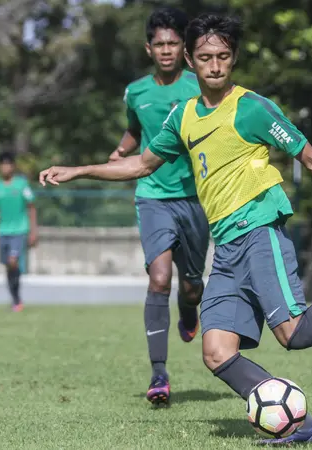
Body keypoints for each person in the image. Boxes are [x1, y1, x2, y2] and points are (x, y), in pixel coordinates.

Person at [39, 12, 312, 444]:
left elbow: (309, 156)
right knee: (215, 352)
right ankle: (298, 424)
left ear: (233, 59)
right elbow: (141, 163)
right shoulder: (183, 116)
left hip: (260, 232)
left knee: (295, 334)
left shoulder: (251, 108)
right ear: (191, 62)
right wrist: (78, 169)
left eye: (224, 56)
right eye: (206, 57)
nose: (215, 66)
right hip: (226, 248)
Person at [112, 7, 208, 406]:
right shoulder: (136, 92)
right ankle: (159, 373)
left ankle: (189, 311)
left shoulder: (198, 86)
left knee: (191, 286)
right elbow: (136, 132)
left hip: (195, 198)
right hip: (152, 194)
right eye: (160, 44)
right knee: (158, 278)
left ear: (182, 48)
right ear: (148, 48)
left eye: (173, 44)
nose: (166, 50)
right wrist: (119, 153)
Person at [0, 151, 38, 312]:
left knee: (13, 261)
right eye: (3, 164)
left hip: (19, 230)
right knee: (8, 266)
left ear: (13, 166)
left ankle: (17, 300)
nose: (5, 167)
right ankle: (15, 298)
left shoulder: (22, 185)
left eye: (8, 164)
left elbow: (31, 208)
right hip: (3, 232)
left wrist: (33, 231)